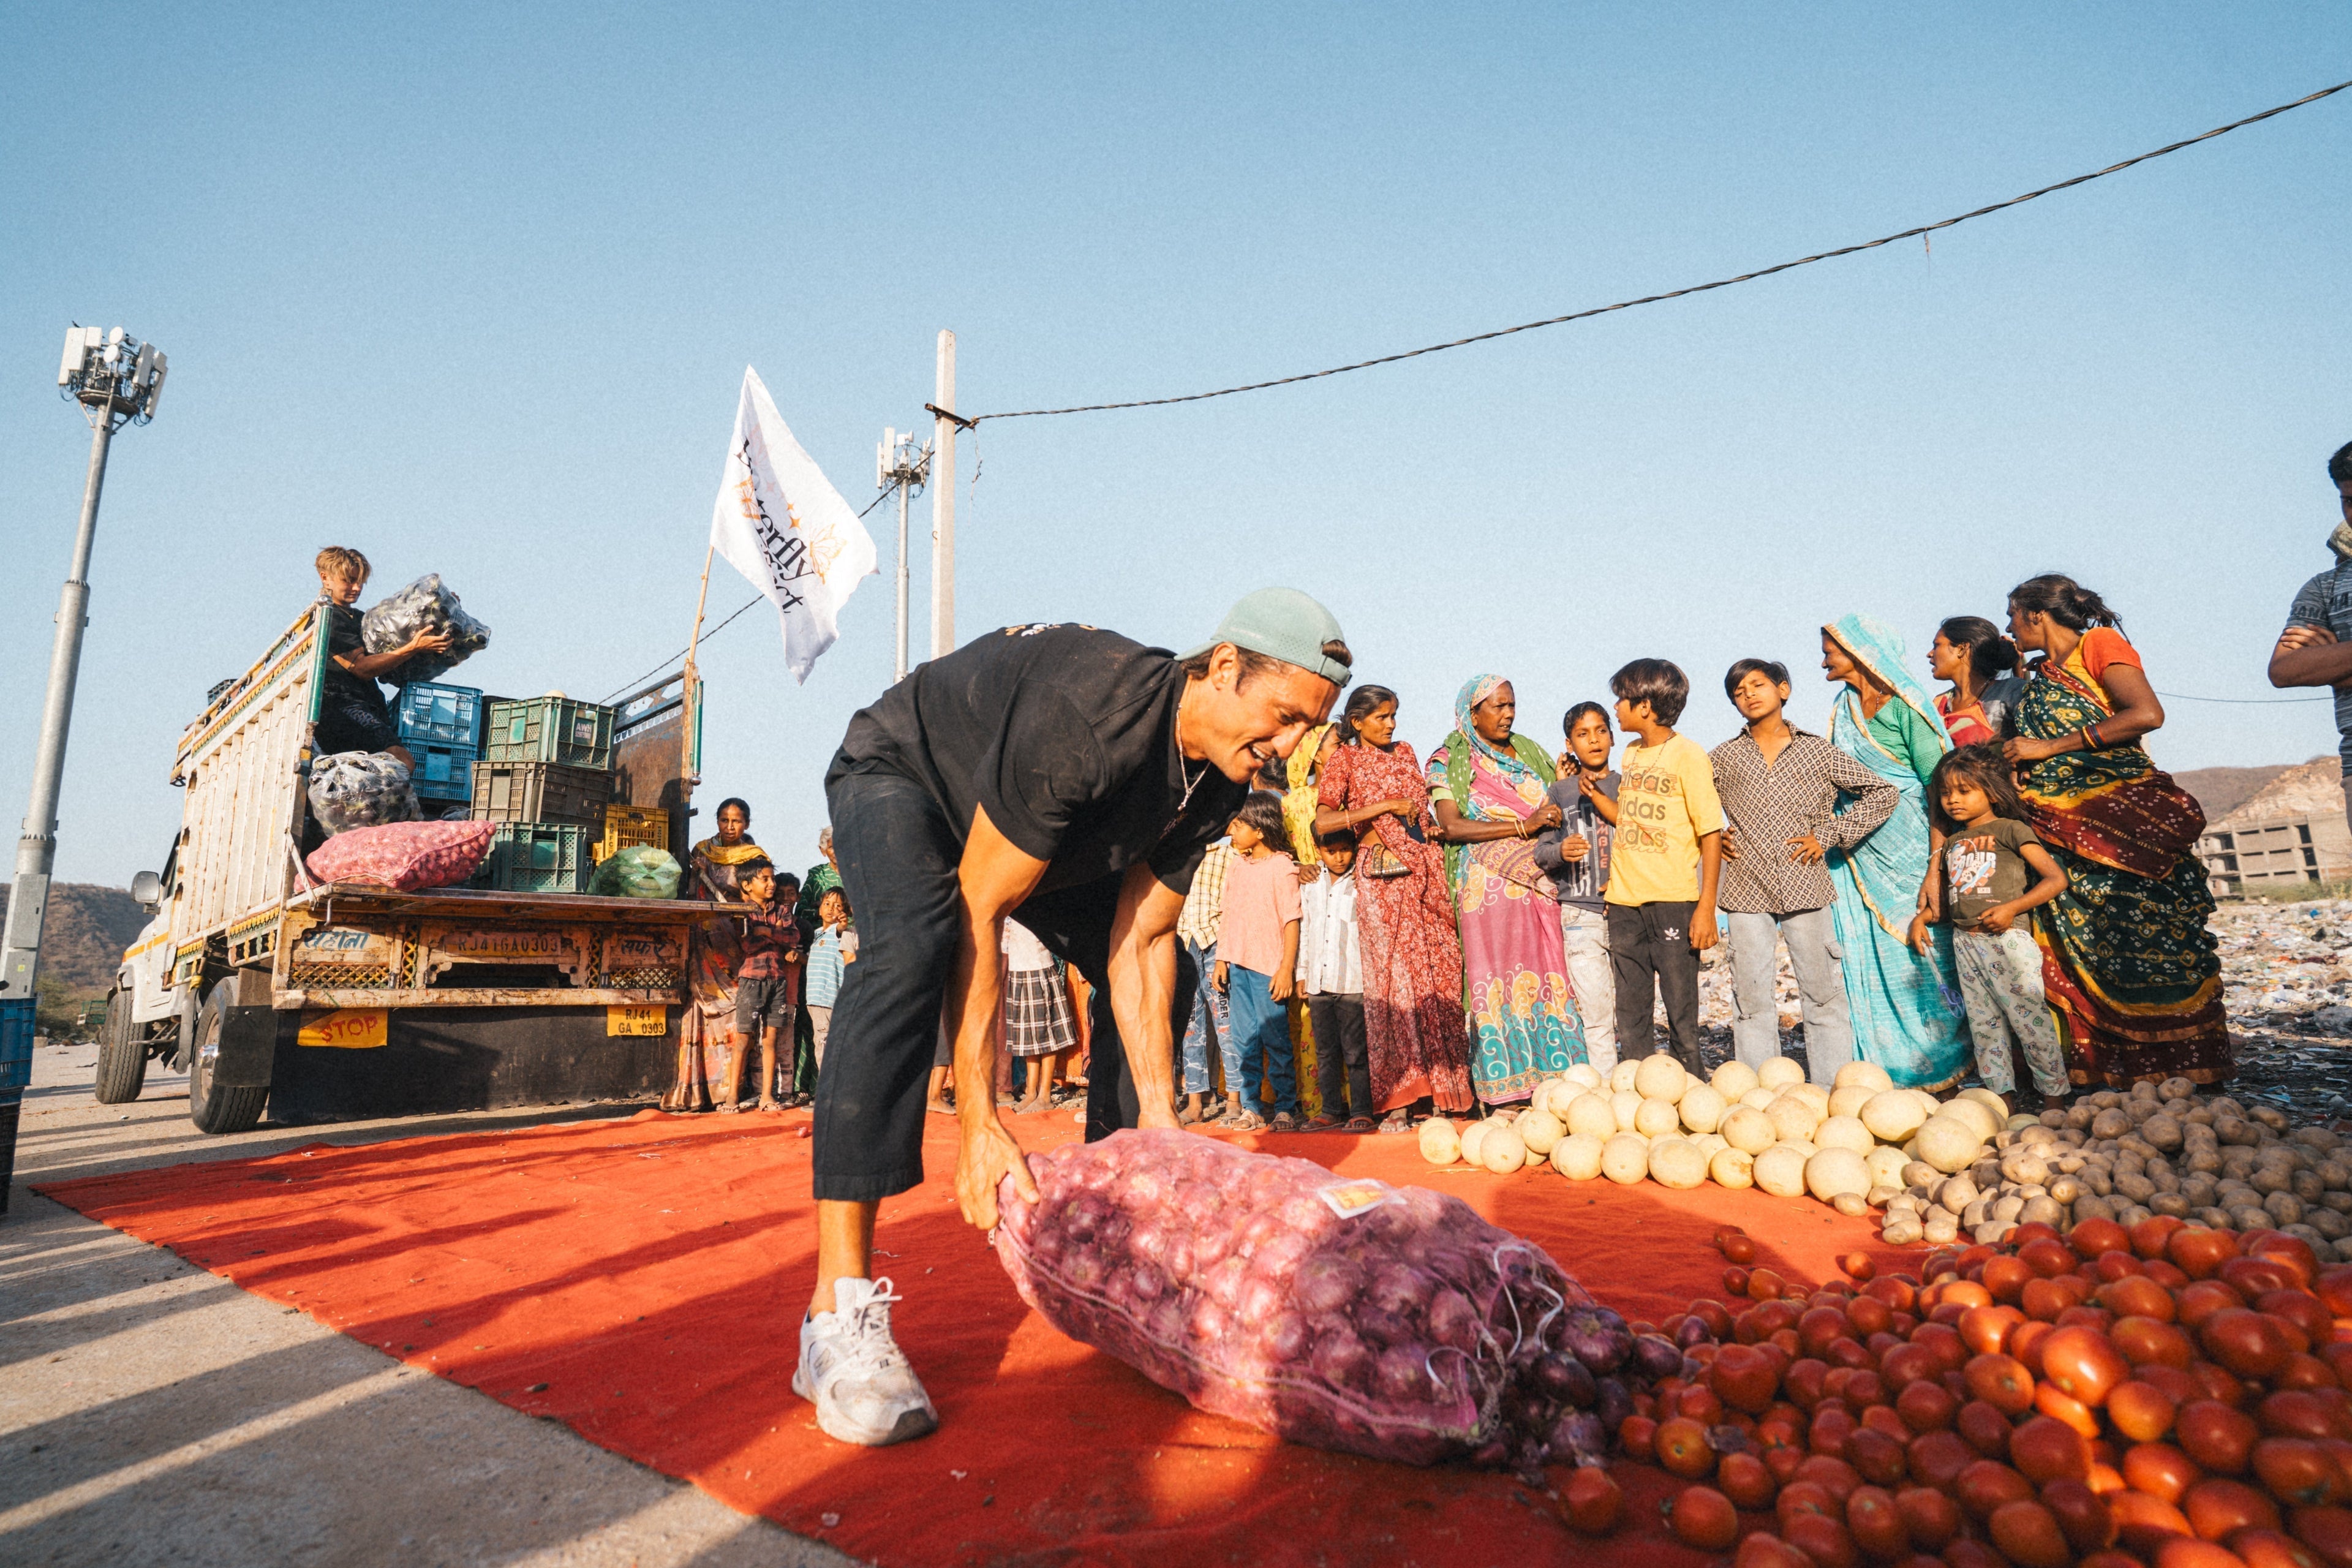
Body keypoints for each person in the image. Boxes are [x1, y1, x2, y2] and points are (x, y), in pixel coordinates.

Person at [804, 590, 1349, 1447]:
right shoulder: (1089, 719)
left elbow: (1139, 940)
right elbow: (979, 909)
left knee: (1160, 986)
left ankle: (1117, 1252)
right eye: (1281, 719)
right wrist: (981, 1123)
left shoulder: (1217, 774)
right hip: (907, 780)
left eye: (1303, 733)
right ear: (1224, 667)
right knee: (913, 944)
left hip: (1032, 834)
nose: (1286, 749)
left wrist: (1165, 1131)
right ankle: (836, 1313)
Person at [2002, 575, 2230, 1086]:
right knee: (2074, 950)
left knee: (2141, 943)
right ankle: (2100, 1075)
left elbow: (2146, 714)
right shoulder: (2040, 674)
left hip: (2120, 823)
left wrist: (2048, 748)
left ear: (2038, 614)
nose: (2010, 625)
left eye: (2014, 614)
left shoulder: (2099, 644)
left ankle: (2181, 1072)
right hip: (2061, 832)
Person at [1710, 659, 1898, 1084]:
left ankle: (1833, 1090)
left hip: (1806, 882)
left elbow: (1882, 793)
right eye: (1739, 692)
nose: (1749, 695)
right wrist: (1713, 835)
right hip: (1744, 886)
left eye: (1757, 685)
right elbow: (1692, 805)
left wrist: (1830, 835)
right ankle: (1762, 1092)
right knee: (1751, 997)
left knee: (1823, 995)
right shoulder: (1722, 758)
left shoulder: (1817, 751)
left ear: (1784, 690)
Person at [1820, 615, 1972, 1089]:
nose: (1824, 657)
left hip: (1913, 853)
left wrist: (1935, 865)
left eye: (1831, 648)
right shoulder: (1842, 709)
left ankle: (1951, 1067)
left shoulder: (1906, 708)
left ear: (1863, 652)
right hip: (1860, 855)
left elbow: (1937, 786)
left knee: (1927, 952)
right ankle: (1891, 1070)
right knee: (1875, 955)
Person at [1314, 685, 1474, 1130]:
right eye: (1382, 717)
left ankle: (1446, 1091)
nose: (1392, 724)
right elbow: (1323, 820)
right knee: (1393, 983)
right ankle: (1400, 1097)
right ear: (1358, 720)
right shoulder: (1343, 759)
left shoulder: (1405, 751)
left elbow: (1420, 814)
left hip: (1424, 874)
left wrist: (1432, 833)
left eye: (1394, 716)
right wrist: (1381, 806)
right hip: (1381, 878)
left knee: (1437, 974)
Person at [1428, 676, 1586, 1104]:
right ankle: (1508, 1093)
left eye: (1511, 705)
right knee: (1499, 986)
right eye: (1497, 707)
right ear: (1472, 713)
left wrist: (1562, 785)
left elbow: (1553, 813)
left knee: (1553, 982)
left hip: (1542, 879)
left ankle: (1562, 1084)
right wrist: (1523, 826)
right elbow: (1451, 826)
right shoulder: (1448, 761)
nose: (1508, 714)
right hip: (1489, 888)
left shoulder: (1530, 752)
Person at [1908, 745, 2073, 1108]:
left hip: (2008, 941)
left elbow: (2054, 879)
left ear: (1993, 792)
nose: (1953, 801)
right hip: (1965, 944)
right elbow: (1954, 902)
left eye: (1965, 791)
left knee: (2030, 1022)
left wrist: (2012, 908)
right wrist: (1923, 918)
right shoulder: (1951, 843)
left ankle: (2055, 1101)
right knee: (1985, 1028)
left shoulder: (2010, 830)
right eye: (1947, 793)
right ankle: (2003, 1103)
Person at [1603, 660, 1724, 1072]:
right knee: (1631, 1006)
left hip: (1673, 899)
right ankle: (1641, 1091)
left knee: (1680, 1005)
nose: (1615, 707)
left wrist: (1707, 907)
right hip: (1624, 902)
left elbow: (1711, 833)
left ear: (1646, 706)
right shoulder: (1632, 754)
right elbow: (1629, 818)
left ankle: (1689, 1084)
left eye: (1622, 698)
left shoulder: (1688, 756)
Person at [663, 797, 767, 1112]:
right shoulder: (701, 851)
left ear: (747, 823)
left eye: (736, 821)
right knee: (700, 1008)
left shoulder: (756, 857)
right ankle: (697, 1091)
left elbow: (760, 896)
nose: (730, 827)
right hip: (703, 941)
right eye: (724, 820)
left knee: (737, 1010)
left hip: (735, 943)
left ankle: (733, 1088)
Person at [2268, 439, 2352, 830]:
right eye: (2348, 500)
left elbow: (2312, 667)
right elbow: (2286, 671)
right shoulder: (2323, 588)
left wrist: (2335, 661)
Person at [1533, 702, 1621, 1076]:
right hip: (1580, 915)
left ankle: (1636, 1087)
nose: (1594, 740)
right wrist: (1561, 851)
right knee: (1597, 1015)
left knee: (1633, 1011)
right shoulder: (1559, 792)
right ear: (1570, 744)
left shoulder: (1627, 783)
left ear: (1613, 736)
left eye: (1601, 731)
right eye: (1583, 735)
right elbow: (1542, 852)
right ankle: (1604, 1097)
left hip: (1628, 913)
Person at [311, 546, 453, 770]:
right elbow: (362, 668)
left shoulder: (359, 618)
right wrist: (413, 648)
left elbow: (390, 655)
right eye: (349, 581)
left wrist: (442, 610)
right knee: (402, 762)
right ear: (326, 578)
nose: (357, 588)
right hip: (342, 708)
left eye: (360, 582)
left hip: (368, 706)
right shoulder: (329, 618)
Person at [1213, 791, 1305, 1131]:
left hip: (1268, 969)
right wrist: (1222, 959)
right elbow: (1229, 914)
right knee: (1244, 1040)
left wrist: (1286, 968)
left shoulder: (1282, 867)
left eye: (1239, 826)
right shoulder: (1237, 865)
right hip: (1237, 964)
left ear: (1261, 830)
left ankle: (1285, 1108)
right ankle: (1251, 1108)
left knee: (1276, 1040)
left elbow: (1291, 921)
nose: (1232, 832)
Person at [1297, 829, 1371, 1131]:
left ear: (1354, 848)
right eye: (1331, 851)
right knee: (1326, 1051)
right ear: (1318, 850)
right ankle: (1330, 1111)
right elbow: (1306, 929)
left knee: (1356, 1051)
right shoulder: (1311, 883)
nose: (1339, 857)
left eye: (1345, 850)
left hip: (1353, 981)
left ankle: (1362, 1111)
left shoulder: (1361, 881)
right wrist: (1302, 973)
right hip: (1318, 981)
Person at [729, 857, 802, 1112]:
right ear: (748, 885)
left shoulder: (781, 911)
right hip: (751, 980)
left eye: (772, 878)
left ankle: (766, 1096)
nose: (772, 884)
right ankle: (731, 1098)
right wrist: (777, 936)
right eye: (766, 879)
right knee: (744, 1039)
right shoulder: (742, 911)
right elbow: (747, 944)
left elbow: (794, 937)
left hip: (777, 980)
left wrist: (767, 932)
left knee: (770, 1040)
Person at [1174, 835, 1234, 1125]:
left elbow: (1233, 907)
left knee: (1225, 1023)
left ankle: (1235, 1098)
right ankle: (1195, 1101)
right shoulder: (1178, 852)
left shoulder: (1227, 853)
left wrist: (1225, 954)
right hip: (1184, 942)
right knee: (1190, 1027)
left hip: (1215, 943)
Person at [1001, 916, 1079, 1113]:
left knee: (1047, 1036)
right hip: (1018, 973)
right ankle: (1031, 1093)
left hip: (1038, 970)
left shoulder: (1037, 908)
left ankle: (1045, 1096)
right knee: (1030, 1040)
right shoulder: (1012, 910)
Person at [1928, 616, 2028, 748]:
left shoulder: (2009, 692)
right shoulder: (1938, 704)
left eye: (1937, 645)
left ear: (1962, 649)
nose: (1930, 654)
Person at [805, 887, 853, 1075]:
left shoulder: (839, 931)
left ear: (845, 913)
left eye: (838, 906)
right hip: (817, 1000)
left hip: (830, 999)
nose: (831, 908)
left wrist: (842, 924)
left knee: (825, 1044)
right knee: (825, 1042)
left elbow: (840, 929)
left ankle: (829, 1093)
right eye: (827, 904)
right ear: (819, 909)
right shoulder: (817, 934)